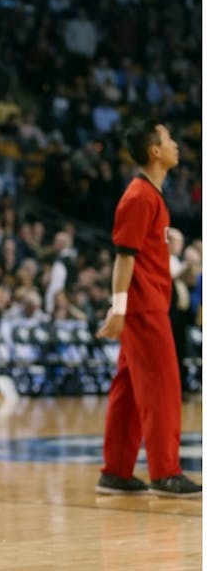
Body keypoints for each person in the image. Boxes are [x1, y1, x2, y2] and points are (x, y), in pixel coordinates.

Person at [94, 120, 200, 497]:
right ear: (155, 151)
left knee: (127, 390)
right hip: (144, 309)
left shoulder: (152, 196)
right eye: (169, 139)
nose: (176, 144)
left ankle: (117, 471)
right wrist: (118, 309)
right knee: (163, 389)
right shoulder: (138, 197)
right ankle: (165, 472)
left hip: (147, 305)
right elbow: (124, 258)